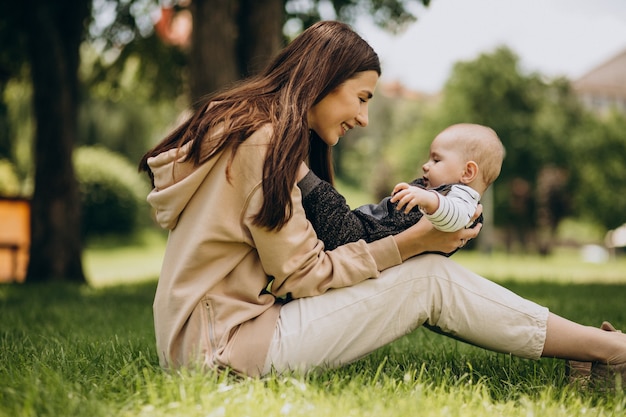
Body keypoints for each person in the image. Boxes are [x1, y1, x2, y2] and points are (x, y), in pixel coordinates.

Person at [139, 21, 626, 386]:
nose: (365, 118)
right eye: (362, 97)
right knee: (427, 278)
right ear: (323, 80)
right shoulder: (259, 141)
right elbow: (303, 274)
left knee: (424, 272)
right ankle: (610, 349)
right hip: (221, 351)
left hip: (214, 335)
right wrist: (412, 244)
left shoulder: (251, 126)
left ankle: (595, 350)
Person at [297, 123, 504, 252]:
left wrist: (427, 199)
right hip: (368, 233)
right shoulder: (442, 191)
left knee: (328, 204)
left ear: (467, 173)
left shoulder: (463, 199)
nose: (426, 165)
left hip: (364, 239)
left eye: (436, 160)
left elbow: (456, 217)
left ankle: (296, 169)